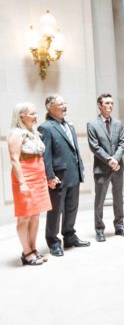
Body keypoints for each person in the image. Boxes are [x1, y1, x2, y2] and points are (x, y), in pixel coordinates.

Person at [38, 95, 90, 256]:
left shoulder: (70, 126)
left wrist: (80, 166)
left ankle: (69, 235)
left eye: (65, 103)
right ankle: (53, 241)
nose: (65, 106)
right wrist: (50, 176)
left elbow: (74, 149)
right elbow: (45, 156)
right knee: (55, 210)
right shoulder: (46, 127)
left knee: (71, 207)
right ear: (50, 107)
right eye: (61, 104)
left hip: (74, 173)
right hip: (58, 176)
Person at [8, 103, 52, 265]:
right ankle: (26, 252)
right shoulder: (16, 134)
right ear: (21, 116)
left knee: (35, 215)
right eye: (32, 114)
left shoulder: (33, 132)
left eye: (35, 113)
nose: (36, 116)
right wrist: (22, 183)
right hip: (25, 178)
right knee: (24, 216)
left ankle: (33, 249)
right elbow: (14, 159)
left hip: (38, 177)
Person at [87, 93, 124, 243]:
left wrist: (116, 159)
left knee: (118, 198)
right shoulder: (92, 124)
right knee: (99, 200)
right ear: (99, 105)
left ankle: (120, 226)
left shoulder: (118, 124)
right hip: (102, 168)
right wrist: (109, 160)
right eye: (107, 103)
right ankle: (99, 229)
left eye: (112, 103)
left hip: (118, 167)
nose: (110, 106)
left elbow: (123, 143)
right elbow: (94, 146)